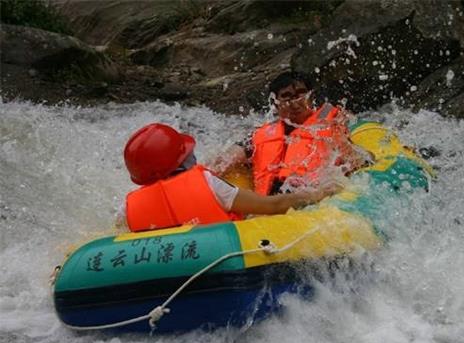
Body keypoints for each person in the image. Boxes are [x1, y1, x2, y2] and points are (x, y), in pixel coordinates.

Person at [121, 123, 340, 232]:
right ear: (180, 161)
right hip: (222, 258)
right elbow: (274, 205)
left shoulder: (129, 207)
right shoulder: (208, 184)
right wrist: (319, 194)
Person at [211, 71, 372, 195]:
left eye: (300, 94)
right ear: (275, 102)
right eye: (286, 96)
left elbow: (356, 158)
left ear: (311, 96)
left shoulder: (330, 123)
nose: (294, 103)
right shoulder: (261, 135)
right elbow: (225, 160)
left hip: (312, 201)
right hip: (268, 205)